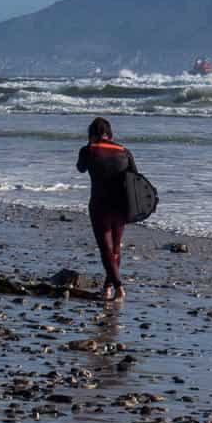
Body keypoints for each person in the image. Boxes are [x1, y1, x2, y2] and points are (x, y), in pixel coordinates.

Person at [76, 116, 136, 301]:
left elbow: (80, 168)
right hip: (121, 205)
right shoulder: (124, 151)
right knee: (116, 248)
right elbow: (135, 177)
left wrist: (90, 146)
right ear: (109, 133)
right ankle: (108, 287)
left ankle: (118, 287)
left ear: (92, 133)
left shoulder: (89, 150)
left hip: (99, 204)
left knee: (106, 248)